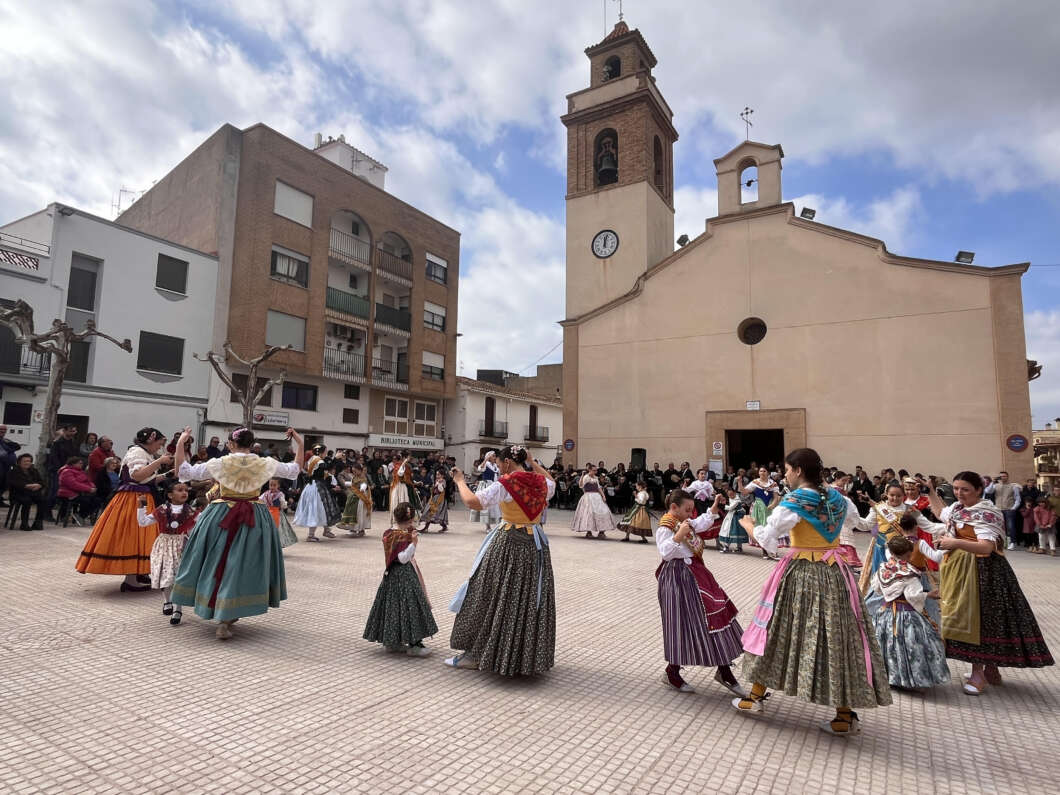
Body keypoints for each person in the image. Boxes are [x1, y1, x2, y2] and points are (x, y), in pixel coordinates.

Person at [734, 448, 891, 735]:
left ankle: (755, 696)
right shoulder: (838, 498)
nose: (786, 475)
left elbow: (768, 541)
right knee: (838, 636)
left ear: (797, 470)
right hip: (835, 572)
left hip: (802, 572)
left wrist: (749, 525)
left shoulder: (795, 501)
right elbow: (856, 524)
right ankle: (844, 715)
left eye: (787, 469)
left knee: (777, 628)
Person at [922, 471, 1054, 694]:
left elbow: (986, 547)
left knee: (979, 620)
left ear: (979, 490)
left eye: (965, 489)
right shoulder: (959, 510)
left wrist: (954, 542)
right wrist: (930, 491)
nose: (959, 493)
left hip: (984, 572)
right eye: (956, 489)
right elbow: (939, 511)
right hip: (963, 571)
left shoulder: (985, 512)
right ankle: (990, 669)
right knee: (976, 618)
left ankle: (978, 674)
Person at [171, 426, 305, 640]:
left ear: (231, 444)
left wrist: (181, 443)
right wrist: (299, 443)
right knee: (243, 564)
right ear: (251, 445)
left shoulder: (220, 462)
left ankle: (218, 609)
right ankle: (227, 614)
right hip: (254, 515)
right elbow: (295, 469)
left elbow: (183, 472)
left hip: (221, 513)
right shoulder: (264, 463)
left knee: (214, 559)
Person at [446, 446, 556, 676]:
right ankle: (524, 657)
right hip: (535, 546)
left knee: (488, 592)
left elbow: (473, 502)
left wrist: (459, 481)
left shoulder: (505, 484)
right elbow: (550, 480)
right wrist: (532, 461)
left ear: (506, 462)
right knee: (527, 598)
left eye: (499, 462)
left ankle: (477, 654)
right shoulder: (540, 482)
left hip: (509, 543)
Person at [656, 490, 746, 696]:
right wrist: (678, 536)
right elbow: (665, 552)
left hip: (697, 575)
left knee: (715, 618)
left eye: (691, 510)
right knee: (682, 625)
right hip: (677, 578)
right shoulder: (667, 526)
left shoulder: (684, 521)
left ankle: (724, 669)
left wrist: (714, 507)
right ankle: (672, 671)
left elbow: (701, 523)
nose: (690, 514)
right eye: (687, 510)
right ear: (674, 508)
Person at [75, 428, 173, 591]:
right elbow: (137, 476)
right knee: (133, 535)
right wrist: (159, 462)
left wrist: (169, 474)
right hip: (132, 498)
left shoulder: (144, 454)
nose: (160, 447)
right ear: (150, 440)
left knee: (143, 535)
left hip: (141, 496)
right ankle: (131, 578)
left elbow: (148, 479)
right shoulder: (137, 452)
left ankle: (139, 571)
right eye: (159, 443)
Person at [870, 534, 949, 692]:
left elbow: (877, 588)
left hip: (885, 612)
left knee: (886, 645)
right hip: (906, 614)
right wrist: (929, 595)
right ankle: (911, 680)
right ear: (908, 554)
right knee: (912, 646)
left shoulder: (883, 568)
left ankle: (888, 677)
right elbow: (913, 596)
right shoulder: (910, 573)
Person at [363, 502, 438, 656]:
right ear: (407, 520)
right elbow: (402, 558)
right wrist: (414, 543)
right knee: (410, 606)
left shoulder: (388, 533)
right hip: (403, 575)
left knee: (393, 607)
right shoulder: (400, 536)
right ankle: (414, 644)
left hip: (392, 576)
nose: (412, 524)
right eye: (411, 521)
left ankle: (393, 642)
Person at [137, 482, 199, 626]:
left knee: (178, 577)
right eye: (179, 490)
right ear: (170, 495)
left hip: (181, 545)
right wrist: (141, 506)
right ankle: (167, 600)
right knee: (165, 574)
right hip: (163, 545)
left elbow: (200, 525)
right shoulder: (162, 510)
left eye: (186, 490)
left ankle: (178, 609)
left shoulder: (191, 511)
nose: (184, 492)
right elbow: (143, 522)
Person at [293, 446, 342, 541]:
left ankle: (326, 530)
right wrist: (335, 458)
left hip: (314, 486)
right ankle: (311, 535)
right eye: (325, 452)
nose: (326, 454)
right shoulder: (318, 460)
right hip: (316, 487)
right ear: (321, 452)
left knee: (322, 508)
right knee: (317, 509)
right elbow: (327, 467)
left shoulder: (314, 459)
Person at [571, 464, 616, 539]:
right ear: (589, 470)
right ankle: (589, 532)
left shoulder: (596, 478)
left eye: (596, 470)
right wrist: (582, 476)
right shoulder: (586, 477)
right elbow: (581, 485)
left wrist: (603, 496)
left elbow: (599, 488)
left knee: (604, 511)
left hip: (597, 497)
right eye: (594, 470)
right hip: (588, 496)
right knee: (589, 514)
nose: (595, 472)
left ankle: (601, 532)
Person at [743, 467, 780, 557]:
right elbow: (744, 492)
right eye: (760, 471)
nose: (762, 472)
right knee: (761, 528)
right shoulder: (755, 482)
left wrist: (773, 505)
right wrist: (740, 483)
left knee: (771, 529)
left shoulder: (773, 484)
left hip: (769, 507)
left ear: (768, 473)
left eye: (764, 471)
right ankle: (765, 550)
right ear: (758, 473)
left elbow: (776, 497)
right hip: (759, 507)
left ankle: (774, 551)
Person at [7, 453, 46, 530]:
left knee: (43, 500)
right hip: (18, 494)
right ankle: (24, 523)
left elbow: (42, 482)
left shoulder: (34, 470)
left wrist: (39, 485)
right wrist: (26, 486)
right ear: (19, 462)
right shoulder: (14, 471)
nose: (27, 463)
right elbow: (13, 483)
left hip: (32, 492)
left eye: (29, 461)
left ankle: (38, 522)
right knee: (27, 500)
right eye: (25, 461)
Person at [57, 456, 98, 524]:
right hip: (68, 493)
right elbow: (73, 484)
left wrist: (92, 486)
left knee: (97, 500)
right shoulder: (66, 472)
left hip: (79, 492)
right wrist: (88, 489)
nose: (82, 464)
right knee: (86, 500)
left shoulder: (81, 472)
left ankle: (80, 515)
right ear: (73, 464)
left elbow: (87, 481)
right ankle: (79, 516)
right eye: (80, 463)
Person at [260, 478, 299, 548]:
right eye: (270, 485)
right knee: (271, 529)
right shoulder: (266, 494)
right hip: (269, 513)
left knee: (279, 530)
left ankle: (277, 545)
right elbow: (260, 500)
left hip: (277, 514)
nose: (272, 487)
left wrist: (284, 505)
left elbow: (283, 504)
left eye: (274, 485)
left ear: (278, 486)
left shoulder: (280, 495)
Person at [338, 463, 372, 538]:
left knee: (360, 513)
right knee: (354, 512)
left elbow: (364, 484)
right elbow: (353, 484)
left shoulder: (363, 477)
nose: (354, 472)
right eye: (353, 471)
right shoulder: (355, 477)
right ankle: (353, 528)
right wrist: (346, 483)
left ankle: (361, 530)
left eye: (355, 471)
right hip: (354, 496)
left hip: (361, 497)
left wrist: (362, 488)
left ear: (360, 470)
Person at [470, 452, 501, 530]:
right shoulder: (486, 464)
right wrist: (485, 459)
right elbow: (480, 468)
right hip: (486, 486)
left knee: (495, 506)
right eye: (493, 456)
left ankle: (497, 524)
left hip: (494, 486)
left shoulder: (495, 467)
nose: (495, 457)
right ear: (489, 457)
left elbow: (499, 476)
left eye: (495, 456)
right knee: (486, 506)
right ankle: (488, 526)